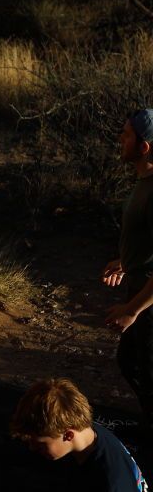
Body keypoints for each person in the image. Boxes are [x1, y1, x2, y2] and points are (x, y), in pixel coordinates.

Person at [104, 109, 153, 435]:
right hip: (137, 282)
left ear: (144, 146)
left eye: (126, 135)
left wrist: (133, 310)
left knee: (145, 369)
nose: (120, 140)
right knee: (132, 363)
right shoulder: (144, 182)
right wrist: (126, 260)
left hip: (147, 299)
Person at [10, 378, 148, 491]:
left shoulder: (110, 483)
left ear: (68, 435)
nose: (32, 448)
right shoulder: (87, 432)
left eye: (40, 445)